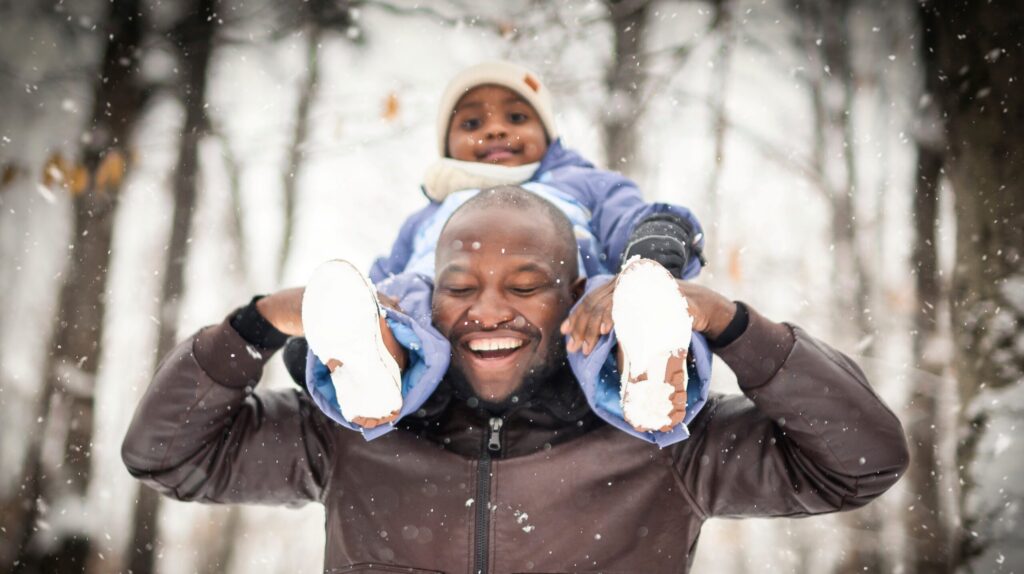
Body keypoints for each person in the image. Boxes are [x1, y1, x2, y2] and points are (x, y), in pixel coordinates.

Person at [122, 187, 909, 574]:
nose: (488, 308)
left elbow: (860, 462)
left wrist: (734, 326)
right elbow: (170, 457)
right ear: (426, 304)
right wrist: (255, 326)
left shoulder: (666, 439)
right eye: (460, 287)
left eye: (527, 283)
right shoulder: (353, 433)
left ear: (578, 296)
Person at [288, 61, 710, 445]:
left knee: (609, 301)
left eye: (517, 117)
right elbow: (385, 279)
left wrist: (653, 250)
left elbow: (632, 221)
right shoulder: (431, 213)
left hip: (561, 323)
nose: (495, 130)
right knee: (408, 296)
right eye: (472, 122)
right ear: (447, 145)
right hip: (448, 332)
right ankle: (377, 365)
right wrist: (362, 308)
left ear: (549, 135)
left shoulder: (580, 184)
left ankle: (644, 369)